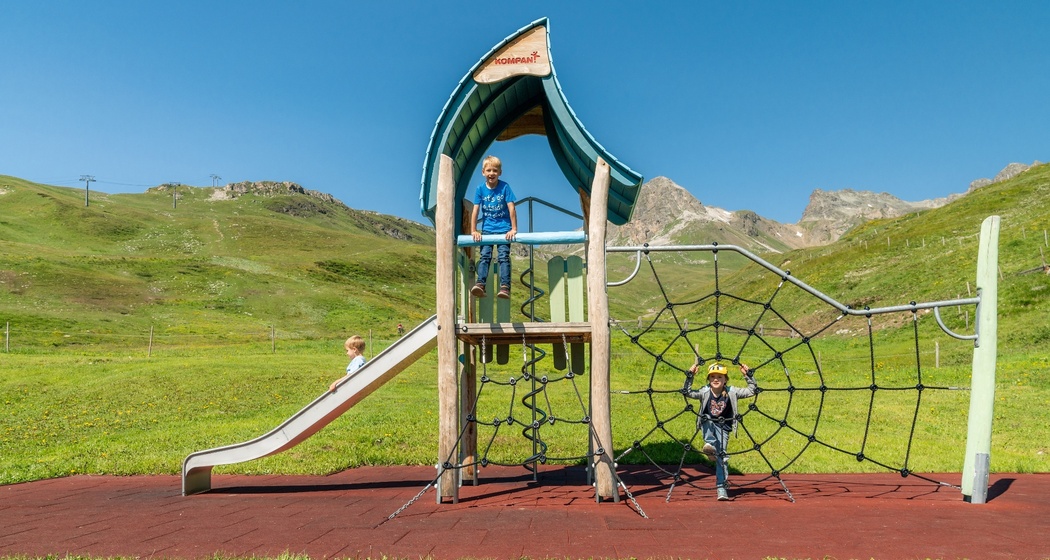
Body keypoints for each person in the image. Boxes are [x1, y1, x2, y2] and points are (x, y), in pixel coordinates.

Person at [682, 360, 757, 500]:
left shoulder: (732, 392)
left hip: (724, 428)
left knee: (722, 459)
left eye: (720, 377)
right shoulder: (704, 392)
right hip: (708, 426)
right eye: (712, 377)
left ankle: (721, 488)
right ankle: (710, 444)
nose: (716, 379)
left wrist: (749, 375)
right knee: (706, 417)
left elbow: (752, 390)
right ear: (708, 379)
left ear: (725, 380)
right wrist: (690, 375)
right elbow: (686, 392)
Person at [469, 155, 517, 300]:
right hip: (488, 229)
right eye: (489, 170)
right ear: (483, 172)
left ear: (500, 172)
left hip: (504, 229)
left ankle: (505, 287)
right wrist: (473, 230)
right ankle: (480, 284)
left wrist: (513, 229)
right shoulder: (480, 189)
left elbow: (511, 208)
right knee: (485, 255)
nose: (492, 173)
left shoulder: (505, 187)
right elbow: (476, 210)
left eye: (495, 170)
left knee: (503, 256)